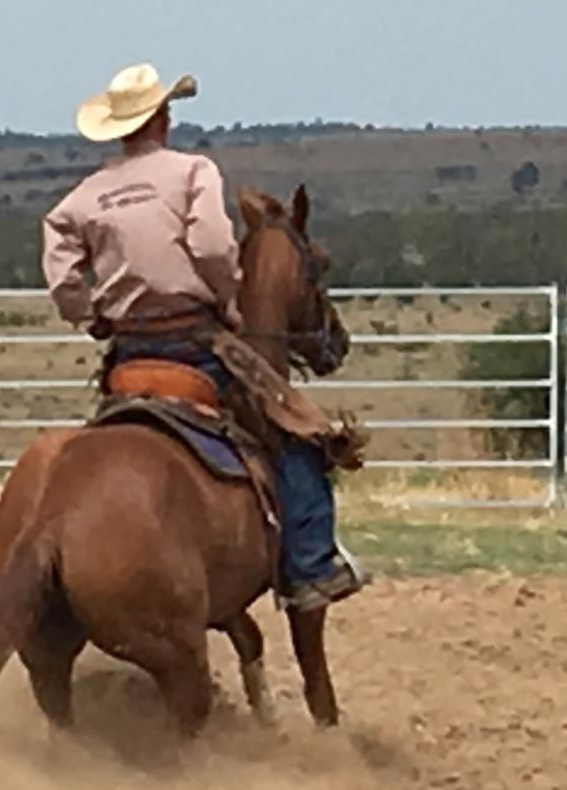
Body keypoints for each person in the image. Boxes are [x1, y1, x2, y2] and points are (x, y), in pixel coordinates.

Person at [40, 62, 363, 612]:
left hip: (128, 354)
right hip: (194, 343)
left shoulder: (85, 197)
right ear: (162, 117)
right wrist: (227, 300)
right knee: (294, 433)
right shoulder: (193, 172)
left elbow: (61, 271)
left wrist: (89, 314)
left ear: (119, 128)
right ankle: (311, 569)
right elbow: (212, 246)